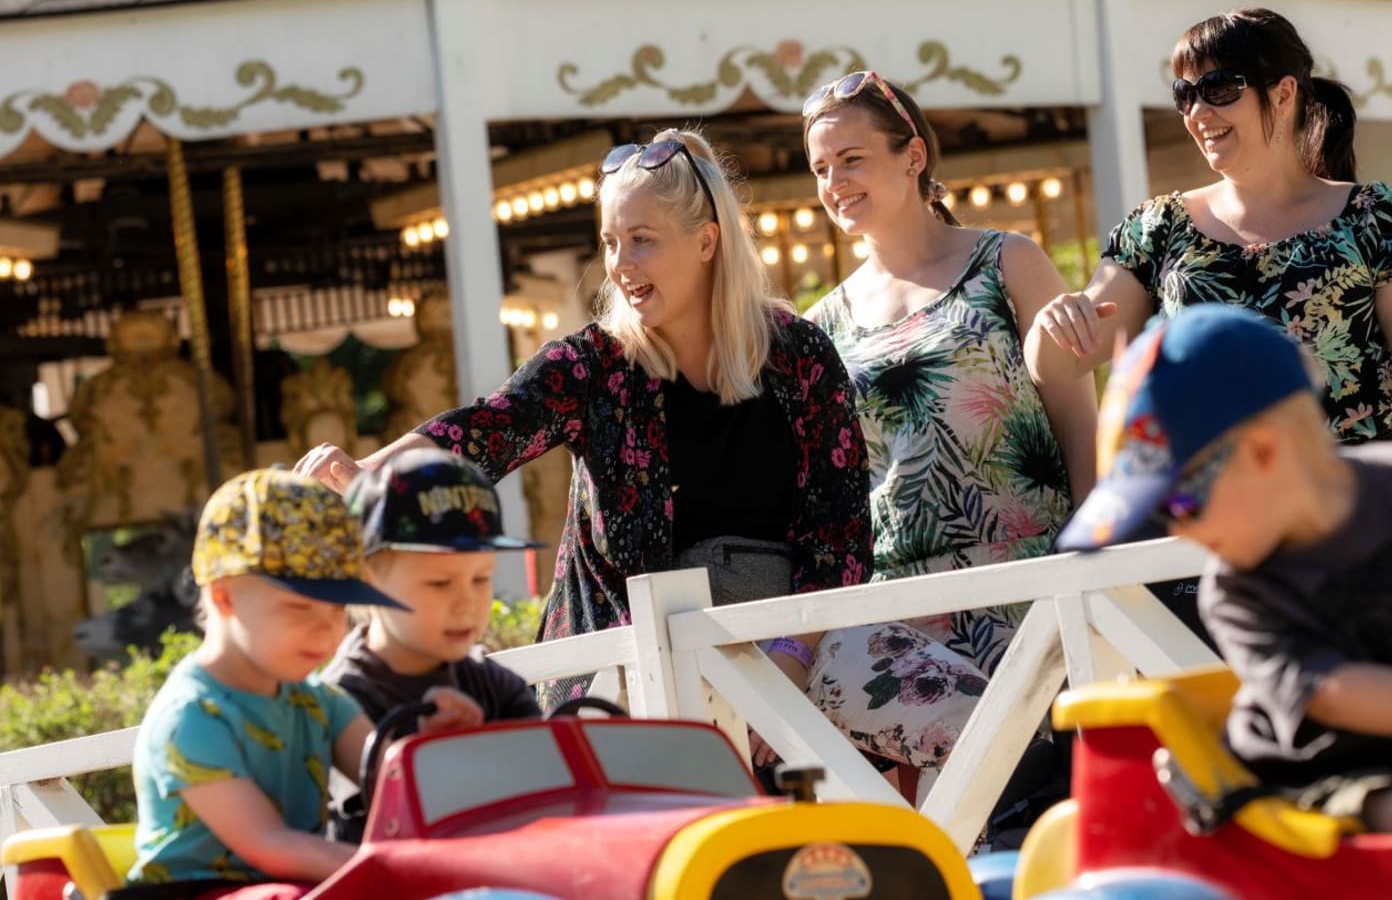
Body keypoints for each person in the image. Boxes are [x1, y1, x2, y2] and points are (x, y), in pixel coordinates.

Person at [304, 129, 871, 710]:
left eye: (641, 240)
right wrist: (368, 474)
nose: (620, 265)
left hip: (792, 645)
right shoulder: (592, 365)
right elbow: (486, 428)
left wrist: (789, 663)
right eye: (610, 242)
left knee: (943, 711)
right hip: (627, 668)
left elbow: (842, 538)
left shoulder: (798, 354)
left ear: (707, 242)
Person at [1059, 305, 1392, 833]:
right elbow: (1335, 691)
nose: (1177, 529)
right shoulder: (1238, 596)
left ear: (1262, 452)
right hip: (1314, 777)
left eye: (1177, 505)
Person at [794, 70, 1090, 785]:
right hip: (905, 609)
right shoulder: (819, 327)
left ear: (914, 156)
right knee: (973, 808)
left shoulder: (1007, 262)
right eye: (822, 167)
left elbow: (1080, 425)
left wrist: (1096, 564)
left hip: (1035, 584)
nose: (835, 181)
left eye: (853, 158)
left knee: (1051, 807)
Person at [1029, 8, 1392, 445]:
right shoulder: (1158, 228)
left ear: (1283, 94)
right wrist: (1050, 326)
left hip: (1360, 499)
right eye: (1185, 94)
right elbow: (1057, 365)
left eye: (1218, 88)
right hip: (1217, 506)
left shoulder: (1375, 216)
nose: (1197, 111)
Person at [128, 469, 481, 896]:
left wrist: (437, 749)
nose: (327, 630)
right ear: (224, 597)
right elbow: (269, 845)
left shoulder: (321, 703)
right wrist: (397, 868)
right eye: (301, 607)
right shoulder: (192, 717)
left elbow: (400, 790)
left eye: (338, 610)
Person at [323, 446, 544, 839]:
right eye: (439, 583)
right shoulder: (343, 702)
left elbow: (547, 785)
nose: (467, 603)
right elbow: (372, 840)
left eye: (481, 579)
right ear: (367, 580)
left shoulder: (493, 684)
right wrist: (428, 756)